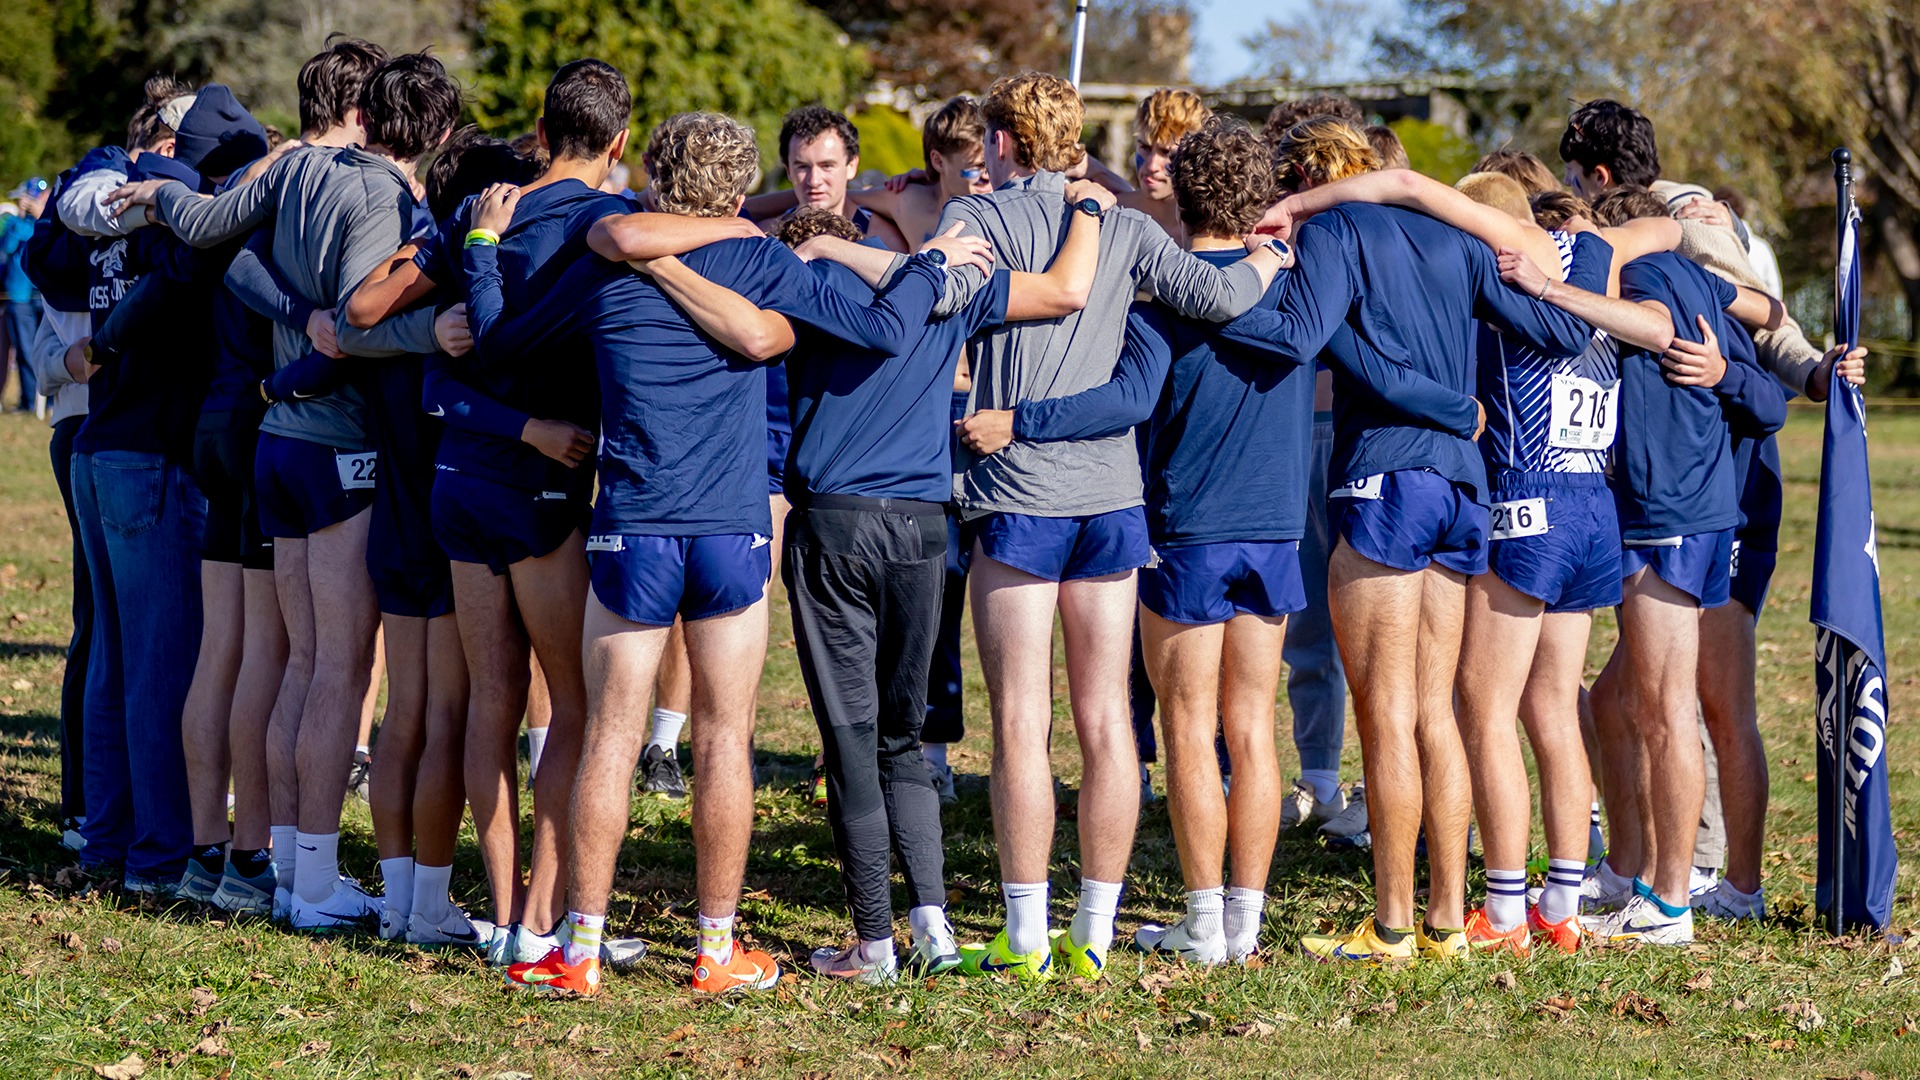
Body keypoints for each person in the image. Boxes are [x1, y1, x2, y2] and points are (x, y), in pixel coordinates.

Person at [483, 110, 965, 996]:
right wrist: (926, 265)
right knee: (725, 739)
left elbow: (503, 340)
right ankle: (714, 949)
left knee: (612, 737)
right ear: (742, 191)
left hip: (632, 519)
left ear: (661, 179)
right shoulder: (764, 260)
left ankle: (580, 949)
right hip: (734, 524)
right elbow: (885, 329)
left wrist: (482, 251)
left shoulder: (608, 258)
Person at [339, 60, 756, 963]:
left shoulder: (485, 210)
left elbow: (363, 308)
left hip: (457, 478)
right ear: (618, 142)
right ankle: (542, 922)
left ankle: (497, 919)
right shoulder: (612, 228)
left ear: (537, 128)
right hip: (545, 486)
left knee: (492, 697)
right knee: (572, 708)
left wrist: (437, 321)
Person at [934, 71, 1286, 982]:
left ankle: (1026, 934)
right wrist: (1266, 262)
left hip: (1018, 493)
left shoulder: (979, 220)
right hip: (1113, 501)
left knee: (1020, 721)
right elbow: (1221, 300)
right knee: (1103, 721)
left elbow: (928, 302)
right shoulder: (1127, 224)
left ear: (1002, 144)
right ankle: (1094, 924)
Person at [111, 51, 465, 930]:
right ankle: (308, 883)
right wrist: (444, 329)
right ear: (440, 132)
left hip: (276, 443)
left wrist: (159, 193)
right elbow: (354, 325)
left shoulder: (295, 165)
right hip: (336, 443)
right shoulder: (385, 198)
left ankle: (288, 868)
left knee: (302, 666)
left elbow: (208, 225)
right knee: (335, 673)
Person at [1250, 118, 1602, 962]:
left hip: (1387, 475)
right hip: (1464, 488)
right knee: (1437, 711)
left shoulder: (1332, 228)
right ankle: (1449, 921)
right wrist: (1541, 273)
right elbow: (1559, 332)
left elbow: (1301, 337)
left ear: (1307, 174)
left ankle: (1394, 924)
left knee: (1387, 717)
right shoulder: (1452, 233)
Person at [760, 189, 1106, 980]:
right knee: (903, 743)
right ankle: (936, 926)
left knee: (850, 742)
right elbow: (1057, 291)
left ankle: (875, 945)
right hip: (922, 524)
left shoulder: (803, 286)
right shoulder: (944, 284)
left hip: (838, 522)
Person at [1567, 186, 1789, 945]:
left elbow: (1673, 337)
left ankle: (1670, 904)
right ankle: (1631, 877)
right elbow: (1770, 314)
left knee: (1675, 713)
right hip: (1689, 514)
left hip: (1673, 517)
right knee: (1617, 703)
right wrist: (1730, 354)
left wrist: (1549, 288)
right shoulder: (1701, 278)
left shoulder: (1643, 276)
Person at [56, 76, 210, 897]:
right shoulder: (164, 212)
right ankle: (155, 857)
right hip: (147, 456)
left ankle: (107, 844)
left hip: (100, 442)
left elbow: (54, 252)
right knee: (156, 664)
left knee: (117, 660)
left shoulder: (109, 212)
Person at [20, 166, 97, 853]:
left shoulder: (66, 237)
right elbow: (51, 356)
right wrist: (74, 362)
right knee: (100, 621)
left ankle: (89, 801)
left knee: (101, 622)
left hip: (85, 429)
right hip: (94, 431)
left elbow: (49, 354)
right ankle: (84, 803)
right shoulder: (82, 238)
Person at [1113, 88, 1210, 242]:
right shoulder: (1112, 214)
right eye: (1145, 148)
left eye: (1167, 153)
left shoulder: (1211, 232)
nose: (1152, 166)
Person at [3, 178, 48, 411]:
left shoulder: (48, 219)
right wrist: (21, 215)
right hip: (19, 297)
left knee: (49, 349)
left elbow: (53, 243)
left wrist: (42, 215)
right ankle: (29, 402)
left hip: (44, 296)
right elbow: (8, 247)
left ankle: (49, 402)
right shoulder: (16, 223)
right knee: (25, 351)